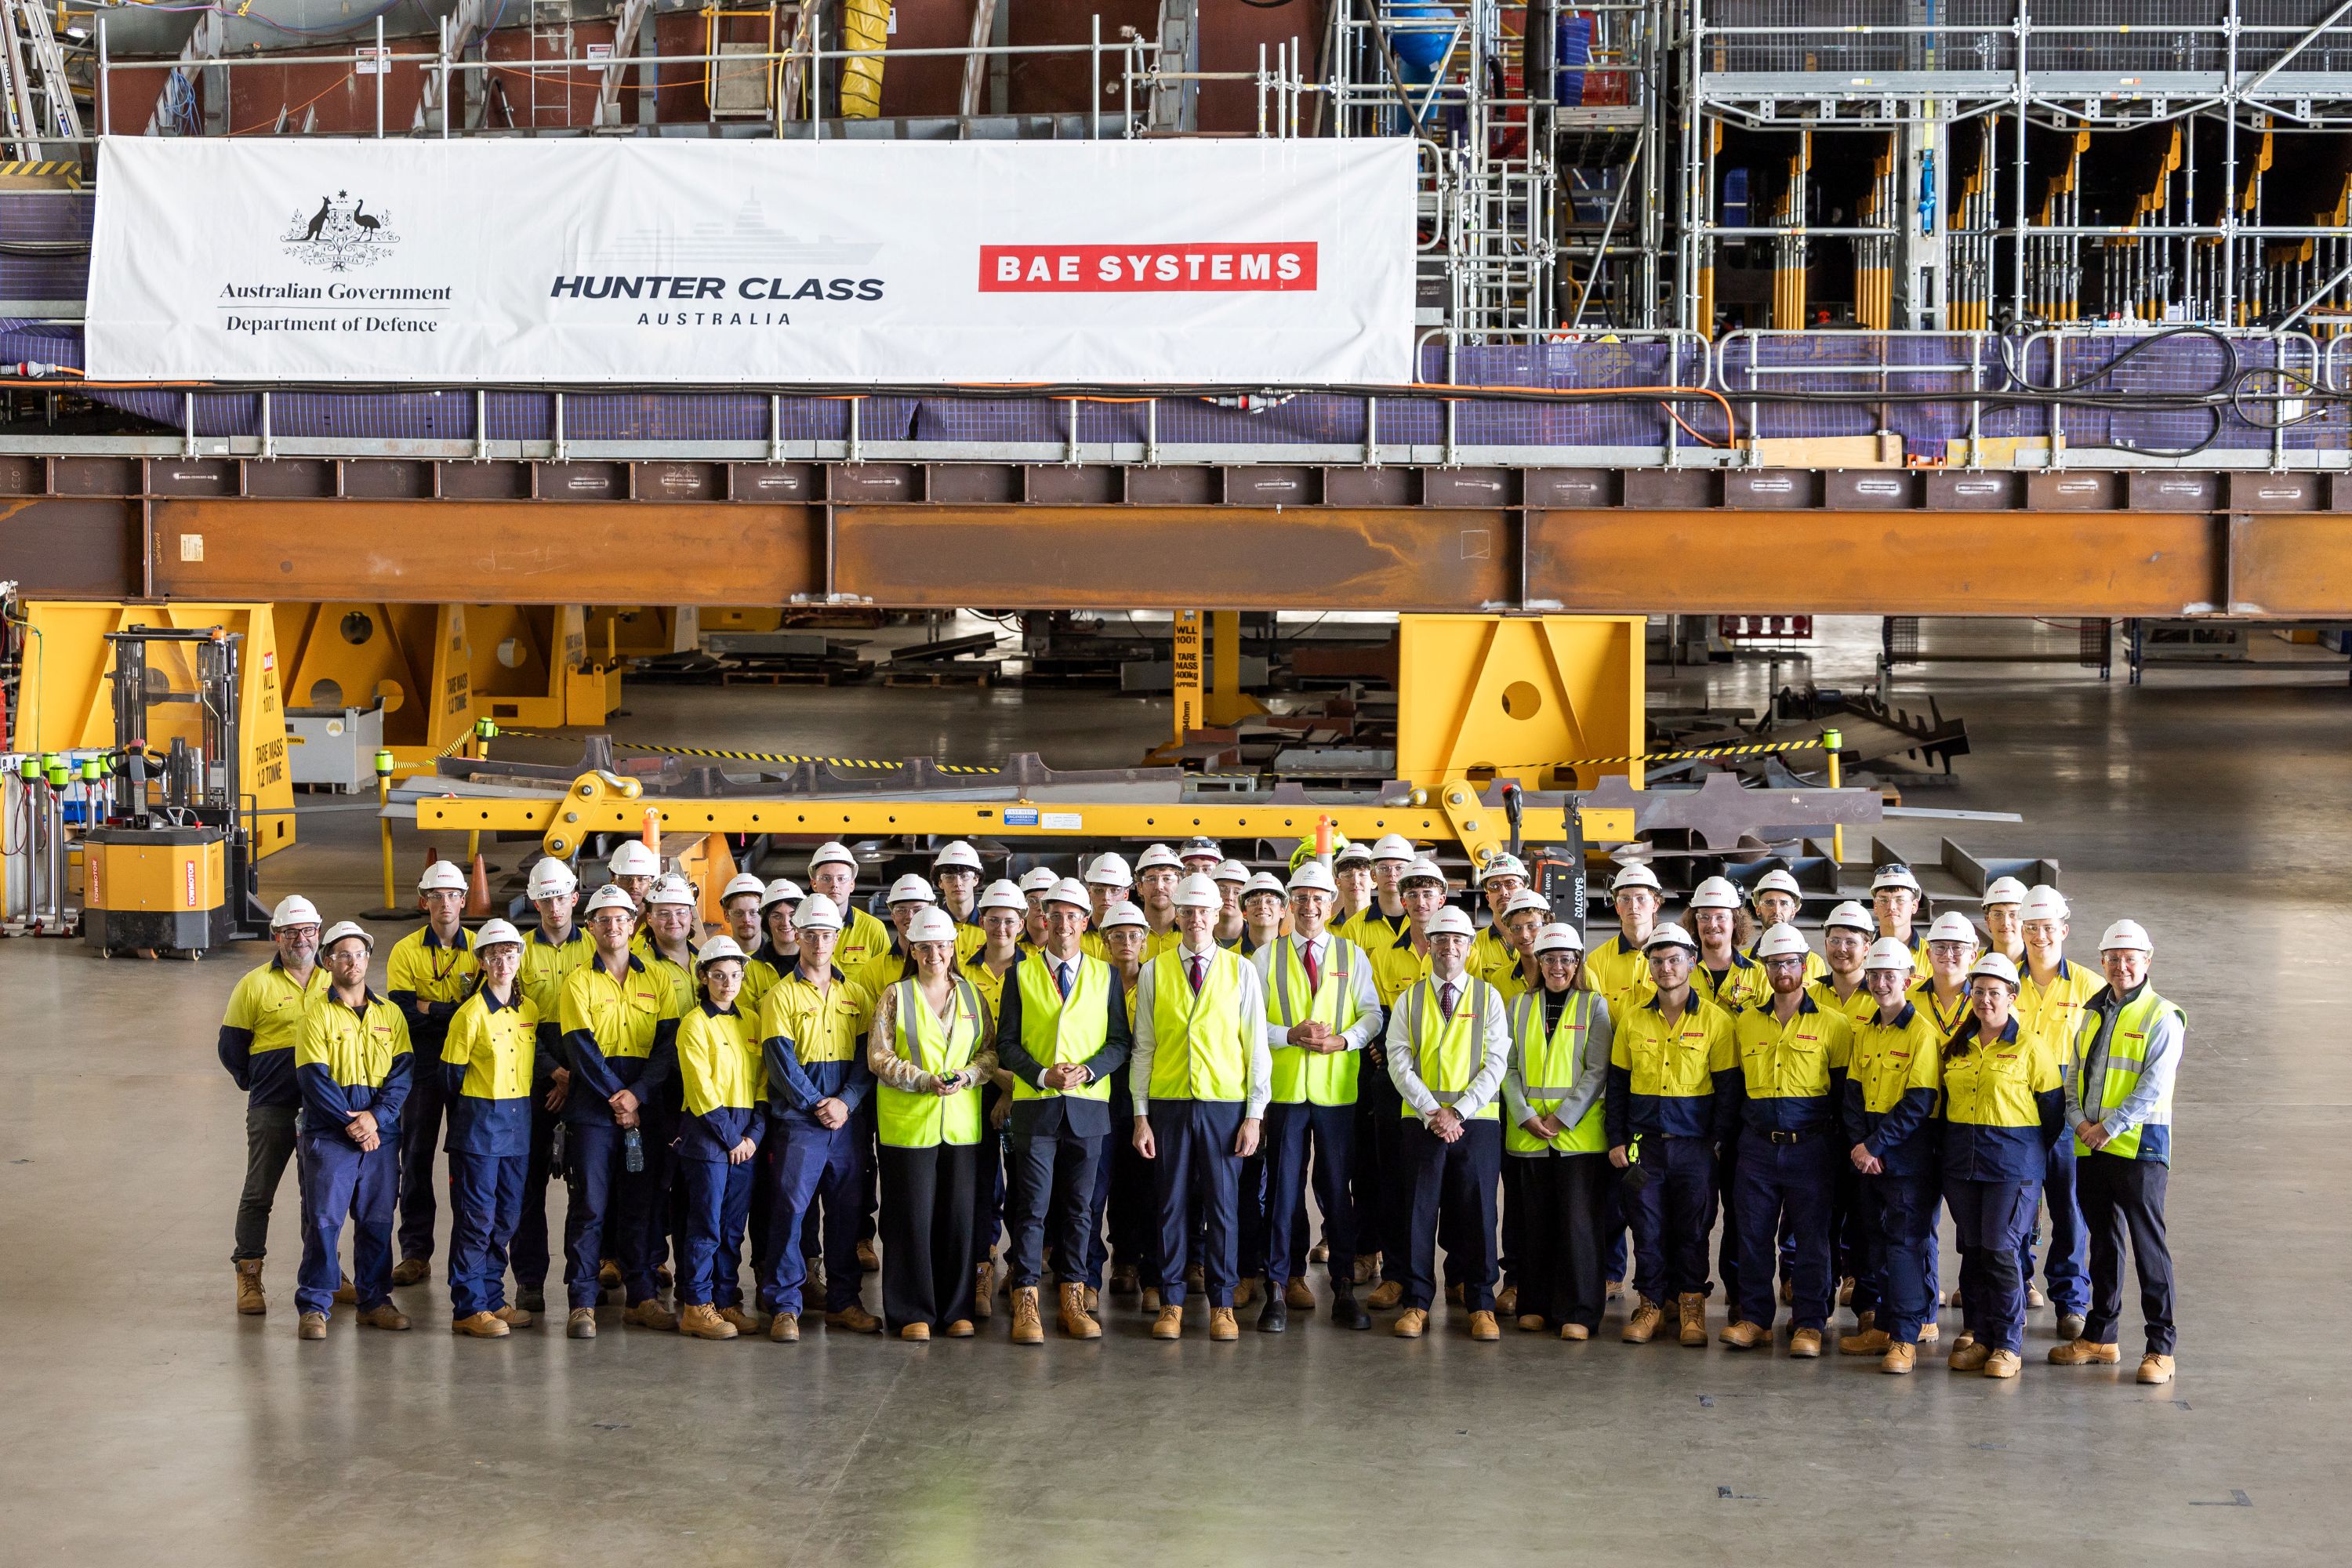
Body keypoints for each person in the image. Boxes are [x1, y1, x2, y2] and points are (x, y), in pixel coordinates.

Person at [1131, 873, 1272, 1341]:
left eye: (1202, 912)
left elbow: (1256, 1048)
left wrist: (1254, 1115)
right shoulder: (1155, 970)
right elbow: (1144, 1047)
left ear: (1218, 915)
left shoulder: (1241, 971)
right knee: (1170, 1205)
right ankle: (1170, 1302)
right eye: (1186, 911)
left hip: (1224, 1106)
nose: (1194, 920)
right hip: (1169, 1104)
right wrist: (1141, 1115)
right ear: (1178, 914)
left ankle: (1223, 1304)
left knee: (1224, 1207)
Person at [995, 877, 1131, 1345]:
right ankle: (1026, 1296)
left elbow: (1119, 1044)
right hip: (1037, 1107)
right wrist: (1040, 1075)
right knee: (1030, 1207)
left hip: (1089, 1109)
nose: (1064, 923)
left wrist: (1089, 1071)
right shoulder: (1020, 973)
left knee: (1080, 1209)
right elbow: (1007, 1045)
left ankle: (1073, 1295)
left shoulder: (1105, 974)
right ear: (1042, 921)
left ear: (1085, 921)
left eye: (1073, 915)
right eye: (1055, 915)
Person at [2051, 919, 2183, 1385]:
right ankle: (2102, 1336)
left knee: (2149, 1248)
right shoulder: (2091, 1012)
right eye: (2113, 958)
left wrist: (2109, 1127)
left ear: (2147, 962)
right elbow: (2074, 1075)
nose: (2121, 966)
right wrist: (2079, 1122)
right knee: (2103, 1245)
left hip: (2140, 1149)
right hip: (2091, 1147)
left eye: (2131, 959)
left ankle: (2160, 1347)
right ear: (2103, 961)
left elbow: (2153, 1086)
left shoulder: (2162, 1016)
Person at [1254, 860, 1383, 1331]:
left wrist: (1343, 1041)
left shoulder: (1353, 957)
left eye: (1318, 898)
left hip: (1335, 1096)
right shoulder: (1265, 958)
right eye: (1301, 898)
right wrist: (1289, 1034)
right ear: (1290, 905)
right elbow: (1248, 1025)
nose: (1310, 906)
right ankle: (1279, 1286)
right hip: (1285, 1094)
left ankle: (1344, 1287)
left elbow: (1372, 1016)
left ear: (1332, 905)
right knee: (1283, 1192)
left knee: (1336, 1192)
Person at [1718, 922, 1853, 1356]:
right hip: (1756, 1146)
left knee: (1813, 1238)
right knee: (1753, 1235)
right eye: (1773, 964)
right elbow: (1733, 1088)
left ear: (1805, 965)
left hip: (1812, 1146)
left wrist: (1839, 1150)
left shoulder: (1834, 1025)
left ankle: (1810, 1323)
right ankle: (1755, 1318)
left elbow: (1844, 1094)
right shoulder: (1745, 1024)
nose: (1782, 971)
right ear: (1764, 969)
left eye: (1790, 962)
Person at [557, 884, 684, 1338]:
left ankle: (642, 1297)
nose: (613, 926)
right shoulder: (577, 981)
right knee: (589, 1206)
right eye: (603, 919)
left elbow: (669, 1045)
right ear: (590, 927)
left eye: (621, 919)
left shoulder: (657, 979)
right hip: (594, 1108)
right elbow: (580, 1048)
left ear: (635, 925)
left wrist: (640, 1096)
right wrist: (619, 1096)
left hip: (643, 1107)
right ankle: (582, 1303)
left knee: (642, 1205)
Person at [1605, 922, 1736, 1348]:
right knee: (1647, 1228)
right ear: (1649, 967)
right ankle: (1651, 1305)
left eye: (1674, 959)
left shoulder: (1717, 1022)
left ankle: (1692, 1304)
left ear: (1692, 963)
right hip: (1645, 1147)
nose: (1665, 967)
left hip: (1695, 1147)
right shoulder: (1632, 1020)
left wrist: (1715, 1145)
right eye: (1657, 960)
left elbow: (1727, 1091)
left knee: (1695, 1229)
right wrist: (1617, 1140)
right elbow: (1618, 1086)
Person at [756, 894, 880, 1341]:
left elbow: (869, 1058)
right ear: (798, 936)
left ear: (838, 938)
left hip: (847, 1121)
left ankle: (845, 1302)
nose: (819, 943)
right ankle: (785, 1305)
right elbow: (780, 1061)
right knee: (790, 1212)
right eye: (811, 935)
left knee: (847, 1213)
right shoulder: (779, 995)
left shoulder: (857, 994)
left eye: (827, 935)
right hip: (799, 1122)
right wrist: (817, 1104)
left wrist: (845, 1100)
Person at [1382, 906, 1508, 1340]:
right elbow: (1398, 1059)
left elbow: (1496, 1062)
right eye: (1441, 939)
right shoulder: (1410, 999)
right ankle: (1417, 1304)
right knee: (1417, 1214)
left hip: (1477, 1123)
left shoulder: (1488, 997)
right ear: (1428, 945)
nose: (1449, 947)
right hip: (1422, 1122)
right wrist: (1431, 1110)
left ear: (1469, 947)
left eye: (1458, 940)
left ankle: (1480, 1305)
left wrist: (1460, 1111)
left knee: (1477, 1214)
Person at [869, 907, 993, 1341]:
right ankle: (911, 1312)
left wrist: (968, 1076)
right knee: (910, 1221)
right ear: (913, 949)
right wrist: (922, 1080)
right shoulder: (895, 996)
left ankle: (957, 1310)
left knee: (958, 1219)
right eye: (925, 947)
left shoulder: (973, 997)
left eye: (942, 946)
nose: (934, 954)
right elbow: (879, 1056)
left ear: (953, 949)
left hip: (960, 1126)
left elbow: (989, 1054)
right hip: (908, 1127)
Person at [1938, 952, 2060, 1379]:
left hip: (2012, 1166)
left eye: (1995, 993)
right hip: (1963, 1166)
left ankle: (2008, 1343)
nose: (1985, 1000)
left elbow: (2052, 1113)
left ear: (2012, 996)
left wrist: (2025, 1157)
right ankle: (1982, 1337)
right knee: (1972, 1251)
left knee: (2001, 1249)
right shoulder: (1957, 1046)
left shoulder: (2030, 1048)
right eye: (1978, 992)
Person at [292, 922, 414, 1339]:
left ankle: (375, 1301)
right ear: (328, 962)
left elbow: (402, 1074)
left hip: (381, 1132)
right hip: (330, 1135)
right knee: (324, 1220)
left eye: (359, 954)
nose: (353, 961)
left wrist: (376, 1119)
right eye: (343, 954)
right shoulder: (316, 1014)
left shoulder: (390, 1014)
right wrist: (354, 1125)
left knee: (377, 1220)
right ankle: (314, 1304)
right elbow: (313, 1078)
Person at [219, 894, 328, 1314]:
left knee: (320, 1198)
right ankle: (249, 1275)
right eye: (290, 932)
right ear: (275, 936)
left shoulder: (333, 980)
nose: (300, 939)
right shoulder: (254, 984)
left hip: (324, 1110)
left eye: (307, 931)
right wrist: (256, 1081)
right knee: (259, 1192)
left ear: (318, 933)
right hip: (272, 1105)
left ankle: (325, 1276)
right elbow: (231, 1047)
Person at [1837, 939, 1943, 1373]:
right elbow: (1853, 1094)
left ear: (1909, 979)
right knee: (1874, 1245)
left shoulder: (1922, 1034)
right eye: (1875, 976)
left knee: (1904, 1246)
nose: (1881, 984)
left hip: (1907, 1159)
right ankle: (1882, 1325)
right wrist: (1861, 1147)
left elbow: (1919, 1102)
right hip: (1870, 1158)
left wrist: (1874, 1147)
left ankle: (1905, 1337)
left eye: (1890, 976)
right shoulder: (1867, 1031)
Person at [1503, 922, 1613, 1340]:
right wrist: (1524, 1113)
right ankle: (1534, 1305)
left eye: (1566, 959)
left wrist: (1561, 1118)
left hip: (1578, 1139)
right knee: (1534, 1224)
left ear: (1577, 962)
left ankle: (1580, 1313)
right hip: (1528, 1135)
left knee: (1579, 1227)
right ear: (1538, 962)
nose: (1558, 967)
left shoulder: (1594, 1006)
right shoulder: (1519, 1005)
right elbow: (1508, 1067)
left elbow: (1597, 1071)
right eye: (1550, 959)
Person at [440, 918, 543, 1338]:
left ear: (520, 958)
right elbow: (450, 1078)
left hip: (518, 1129)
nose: (503, 962)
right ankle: (468, 1306)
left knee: (507, 1217)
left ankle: (493, 1296)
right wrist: (470, 1122)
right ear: (481, 962)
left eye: (510, 953)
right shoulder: (469, 1016)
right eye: (494, 955)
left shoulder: (529, 1012)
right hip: (479, 1130)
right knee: (476, 1218)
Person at [1360, 856, 1450, 1308]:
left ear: (1443, 896)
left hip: (1449, 1088)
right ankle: (1397, 1275)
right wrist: (1381, 1044)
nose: (1418, 901)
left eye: (1427, 892)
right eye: (1410, 893)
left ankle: (1454, 1277)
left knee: (1452, 1188)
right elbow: (1375, 1013)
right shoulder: (1383, 955)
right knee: (1395, 1183)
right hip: (1392, 1082)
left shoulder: (1458, 947)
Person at [385, 860, 480, 1287]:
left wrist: (431, 1009)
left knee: (467, 1158)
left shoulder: (481, 948)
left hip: (468, 1068)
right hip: (421, 1067)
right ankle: (415, 1252)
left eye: (453, 895)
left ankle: (468, 1250)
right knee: (416, 1157)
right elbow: (403, 1013)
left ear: (464, 899)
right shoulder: (405, 951)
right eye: (437, 896)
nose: (446, 903)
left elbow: (483, 1011)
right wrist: (452, 1013)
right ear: (424, 902)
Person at [672, 935, 768, 1341]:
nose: (727, 983)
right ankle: (697, 1305)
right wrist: (733, 1140)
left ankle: (725, 1299)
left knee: (732, 1227)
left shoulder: (752, 1022)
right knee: (706, 1224)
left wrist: (754, 1134)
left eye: (734, 975)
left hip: (744, 1134)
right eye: (718, 975)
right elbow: (700, 1090)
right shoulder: (694, 1024)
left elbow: (764, 1081)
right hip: (708, 1134)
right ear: (703, 978)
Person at [515, 858, 588, 1316]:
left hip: (585, 1076)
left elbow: (603, 1020)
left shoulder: (596, 949)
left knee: (590, 1185)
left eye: (561, 896)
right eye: (545, 898)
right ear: (534, 900)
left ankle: (591, 1273)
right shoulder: (517, 950)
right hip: (536, 1079)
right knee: (529, 1187)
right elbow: (515, 1021)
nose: (554, 906)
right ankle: (528, 1281)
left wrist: (574, 1076)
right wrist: (552, 1073)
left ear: (575, 898)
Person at [962, 880, 1027, 1318]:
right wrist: (997, 1083)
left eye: (1009, 920)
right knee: (981, 1183)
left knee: (1027, 1186)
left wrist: (1012, 1087)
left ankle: (1022, 1270)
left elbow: (1043, 1037)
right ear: (981, 922)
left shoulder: (1037, 971)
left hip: (1025, 1091)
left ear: (1022, 925)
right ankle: (982, 1267)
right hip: (972, 1092)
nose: (1000, 927)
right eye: (992, 919)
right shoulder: (960, 973)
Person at [1089, 902, 1155, 1307]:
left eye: (1134, 935)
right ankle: (1091, 1277)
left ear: (1145, 940)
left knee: (1144, 1187)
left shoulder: (1159, 978)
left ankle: (1140, 1269)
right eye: (1118, 935)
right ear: (1105, 940)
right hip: (1100, 1092)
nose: (1126, 943)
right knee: (1095, 1187)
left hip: (1145, 1093)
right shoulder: (1094, 980)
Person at [1584, 863, 1664, 1007]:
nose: (1633, 906)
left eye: (1641, 898)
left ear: (1655, 905)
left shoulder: (1673, 958)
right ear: (1617, 907)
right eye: (1625, 899)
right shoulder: (1597, 961)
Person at [807, 840, 893, 972]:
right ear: (814, 884)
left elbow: (886, 979)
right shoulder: (801, 929)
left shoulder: (873, 929)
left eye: (841, 879)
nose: (834, 884)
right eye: (826, 878)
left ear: (852, 884)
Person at [1911, 910, 1980, 1041]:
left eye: (1957, 947)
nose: (1948, 954)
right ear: (1928, 954)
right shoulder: (1908, 999)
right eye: (1940, 947)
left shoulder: (1985, 1002)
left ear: (1972, 956)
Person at [1748, 870, 1826, 984]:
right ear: (1758, 909)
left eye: (1784, 903)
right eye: (1769, 903)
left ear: (1793, 911)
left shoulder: (1814, 964)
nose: (1776, 911)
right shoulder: (1742, 961)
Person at [742, 877, 803, 1017]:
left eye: (792, 915)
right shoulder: (749, 966)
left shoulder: (820, 962)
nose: (786, 923)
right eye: (777, 916)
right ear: (766, 921)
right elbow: (745, 1020)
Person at [1468, 851, 1532, 980]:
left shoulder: (1543, 940)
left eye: (1510, 883)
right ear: (1488, 898)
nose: (1503, 892)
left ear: (1525, 890)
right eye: (1495, 886)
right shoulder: (1474, 946)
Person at [932, 840, 990, 960]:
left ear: (976, 879)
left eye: (964, 876)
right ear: (940, 883)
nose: (958, 883)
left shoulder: (992, 927)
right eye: (949, 877)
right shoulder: (932, 927)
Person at [1132, 844, 1187, 960]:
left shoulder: (1191, 933)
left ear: (1179, 885)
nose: (1159, 886)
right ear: (1140, 887)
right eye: (1151, 879)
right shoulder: (1129, 936)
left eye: (1167, 879)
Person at [1871, 863, 1930, 967]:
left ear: (1914, 905)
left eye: (1900, 900)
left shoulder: (1931, 956)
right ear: (1875, 906)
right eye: (1883, 900)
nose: (1891, 907)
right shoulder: (1862, 953)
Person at [1078, 853, 1135, 960]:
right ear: (1089, 892)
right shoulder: (1076, 934)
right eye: (1099, 890)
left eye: (1114, 890)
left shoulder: (1136, 938)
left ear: (1126, 894)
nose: (1106, 897)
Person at [1236, 872, 1287, 956]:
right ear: (1244, 912)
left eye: (1270, 901)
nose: (1262, 906)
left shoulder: (1295, 956)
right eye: (1254, 902)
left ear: (1282, 911)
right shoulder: (1228, 957)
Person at [1980, 876, 2029, 966]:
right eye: (1998, 915)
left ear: (2026, 920)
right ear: (1988, 921)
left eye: (2013, 915)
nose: (2006, 923)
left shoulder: (2041, 966)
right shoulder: (1973, 964)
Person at [718, 873, 768, 953]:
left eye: (753, 912)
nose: (746, 920)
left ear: (765, 914)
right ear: (726, 915)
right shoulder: (718, 962)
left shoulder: (777, 962)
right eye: (738, 913)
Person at [606, 838, 661, 911]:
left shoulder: (659, 917)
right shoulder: (603, 917)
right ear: (612, 878)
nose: (634, 886)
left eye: (641, 879)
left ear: (651, 880)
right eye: (626, 878)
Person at [1208, 860, 1251, 949]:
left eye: (1237, 892)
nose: (1229, 897)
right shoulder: (1194, 936)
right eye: (1223, 890)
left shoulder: (1256, 940)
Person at [1333, 840, 1375, 929]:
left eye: (1362, 875)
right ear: (1338, 883)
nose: (1355, 881)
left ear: (1375, 881)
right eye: (1348, 875)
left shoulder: (1388, 927)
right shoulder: (1327, 931)